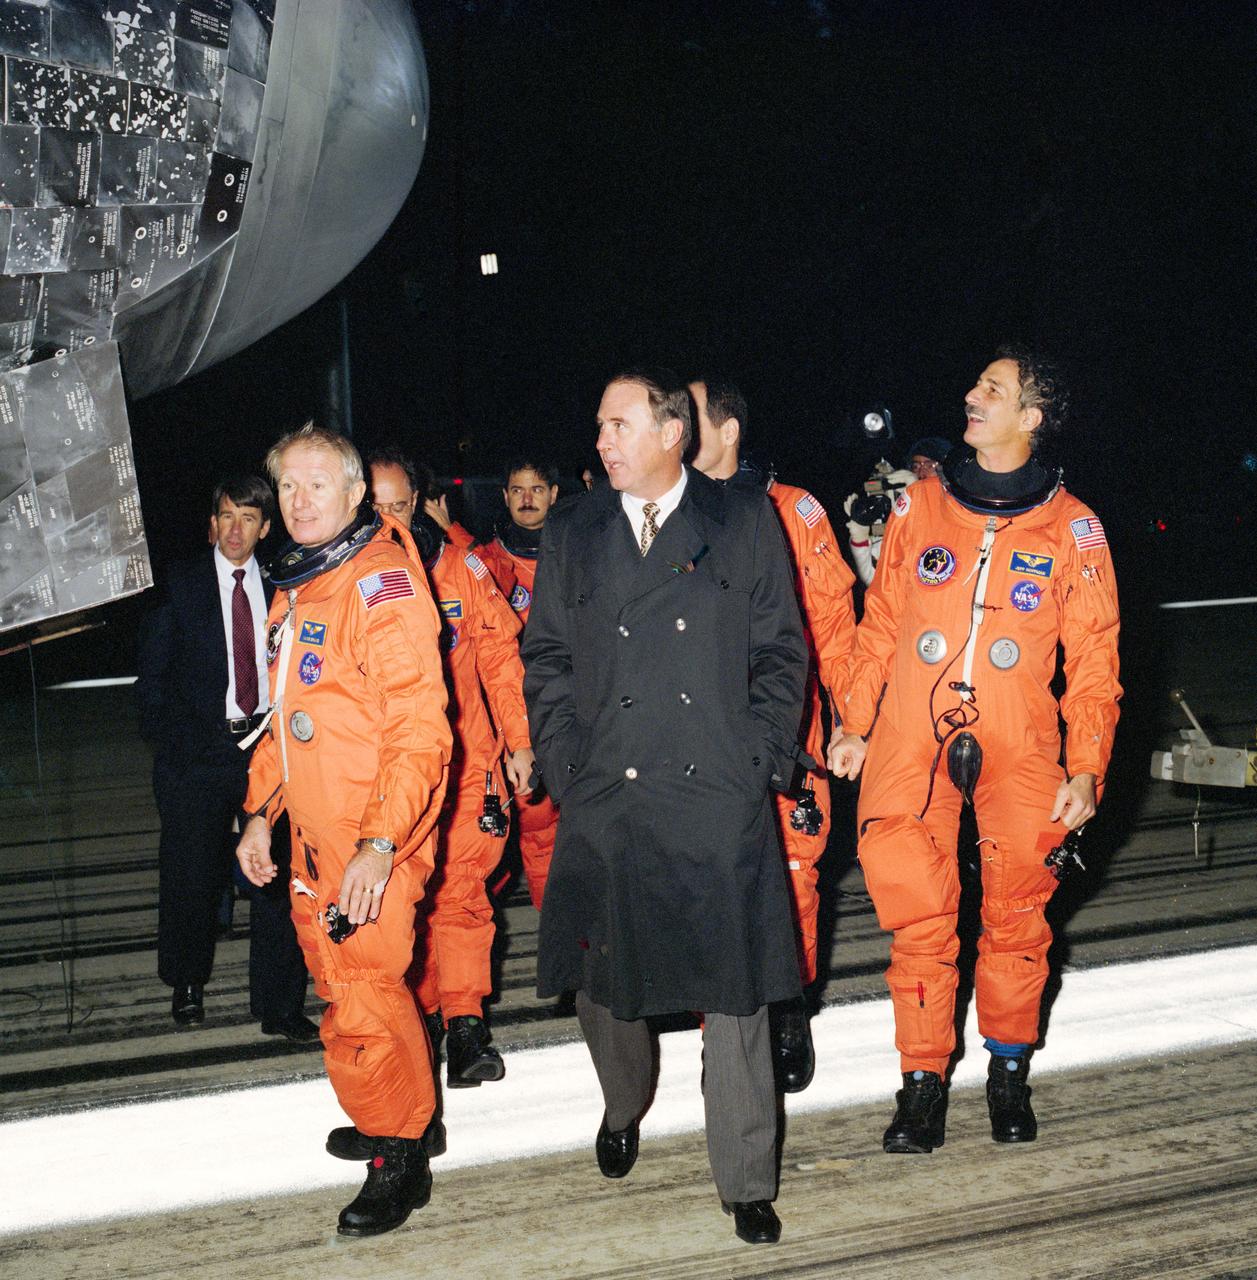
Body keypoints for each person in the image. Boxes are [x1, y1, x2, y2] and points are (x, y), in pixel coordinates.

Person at [522, 368, 809, 1246]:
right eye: (600, 426)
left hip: (713, 789)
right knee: (606, 982)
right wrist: (565, 761)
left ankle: (746, 1175)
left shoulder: (740, 519)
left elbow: (781, 652)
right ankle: (622, 1104)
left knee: (737, 990)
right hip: (609, 789)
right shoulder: (571, 529)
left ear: (671, 434)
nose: (601, 440)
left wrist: (753, 758)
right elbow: (547, 657)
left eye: (617, 425)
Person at [828, 347, 1121, 1155]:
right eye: (974, 384)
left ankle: (1007, 1073)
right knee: (917, 915)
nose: (970, 395)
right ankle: (921, 1085)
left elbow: (1095, 658)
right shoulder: (920, 505)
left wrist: (1087, 766)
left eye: (991, 390)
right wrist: (853, 722)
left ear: (1029, 418)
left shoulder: (1073, 527)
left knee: (1016, 917)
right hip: (907, 738)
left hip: (1021, 740)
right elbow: (880, 620)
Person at [235, 424, 452, 1238]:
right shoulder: (301, 585)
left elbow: (420, 732)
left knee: (363, 989)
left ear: (357, 493)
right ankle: (395, 1114)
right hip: (316, 835)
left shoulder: (379, 585)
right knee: (344, 989)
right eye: (287, 487)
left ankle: (399, 1157)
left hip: (374, 836)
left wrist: (379, 844)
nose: (299, 502)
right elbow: (290, 722)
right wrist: (261, 813)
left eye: (317, 485)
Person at [689, 375, 856, 1093]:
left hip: (784, 735)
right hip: (693, 736)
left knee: (791, 876)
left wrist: (854, 719)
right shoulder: (652, 518)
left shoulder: (794, 512)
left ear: (727, 432)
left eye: (686, 418)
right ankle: (721, 1032)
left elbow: (835, 626)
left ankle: (787, 1009)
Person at [368, 448, 534, 1086]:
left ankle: (466, 1025)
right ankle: (427, 1018)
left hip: (468, 763)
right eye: (376, 509)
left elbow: (499, 659)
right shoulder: (349, 581)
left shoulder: (459, 566)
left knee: (462, 896)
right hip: (392, 779)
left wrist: (520, 742)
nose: (389, 521)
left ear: (419, 504)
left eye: (400, 507)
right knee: (403, 906)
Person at [136, 476, 312, 1038]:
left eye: (249, 519)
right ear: (212, 524)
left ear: (266, 528)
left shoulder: (286, 582)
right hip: (198, 752)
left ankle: (279, 1005)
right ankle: (186, 982)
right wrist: (177, 746)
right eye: (227, 517)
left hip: (267, 749)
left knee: (275, 874)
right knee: (192, 872)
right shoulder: (181, 584)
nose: (236, 530)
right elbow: (153, 684)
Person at [437, 456, 562, 911]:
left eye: (536, 489)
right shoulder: (485, 562)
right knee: (529, 830)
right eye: (517, 490)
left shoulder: (575, 554)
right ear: (505, 496)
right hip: (513, 718)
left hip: (572, 712)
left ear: (553, 494)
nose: (526, 499)